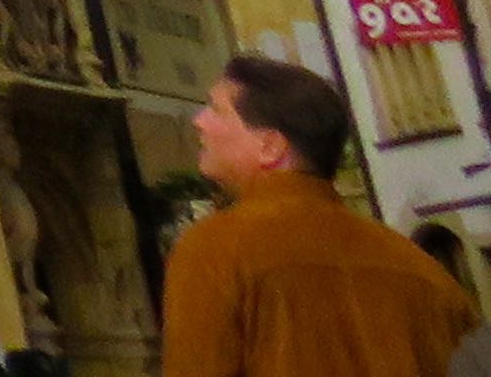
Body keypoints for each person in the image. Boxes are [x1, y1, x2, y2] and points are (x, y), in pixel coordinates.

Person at [166, 55, 473, 377]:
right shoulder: (424, 271)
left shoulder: (216, 248)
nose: (199, 121)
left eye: (216, 110)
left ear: (270, 146)